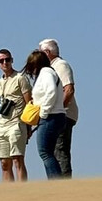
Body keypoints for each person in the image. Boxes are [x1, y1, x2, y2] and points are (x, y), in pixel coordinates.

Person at [37, 39, 78, 178]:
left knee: (59, 151)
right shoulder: (49, 68)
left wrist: (59, 109)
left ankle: (63, 185)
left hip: (62, 115)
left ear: (47, 52)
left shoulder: (60, 65)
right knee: (51, 151)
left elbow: (69, 89)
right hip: (56, 114)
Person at [23, 50, 66, 179]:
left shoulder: (46, 72)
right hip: (55, 116)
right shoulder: (49, 72)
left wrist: (43, 113)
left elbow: (51, 92)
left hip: (51, 116)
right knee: (48, 152)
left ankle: (56, 183)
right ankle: (55, 181)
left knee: (45, 152)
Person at [0, 48, 33, 182]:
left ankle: (22, 191)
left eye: (7, 59)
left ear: (12, 60)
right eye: (2, 60)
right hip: (1, 125)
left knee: (17, 159)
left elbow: (29, 103)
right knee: (4, 163)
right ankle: (8, 194)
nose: (5, 63)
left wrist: (28, 126)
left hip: (16, 123)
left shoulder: (20, 78)